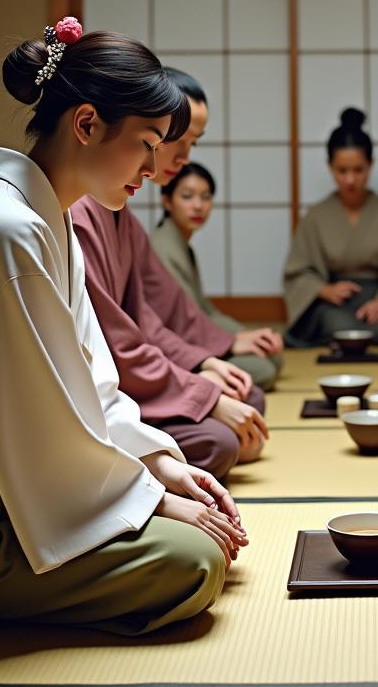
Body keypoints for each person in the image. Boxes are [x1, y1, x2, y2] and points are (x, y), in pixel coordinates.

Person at [0, 21, 247, 651]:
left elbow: (94, 383)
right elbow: (37, 427)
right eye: (146, 144)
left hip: (16, 485)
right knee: (192, 562)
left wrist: (161, 465)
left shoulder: (43, 221)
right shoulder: (1, 230)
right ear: (86, 124)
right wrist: (151, 502)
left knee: (196, 537)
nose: (153, 168)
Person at [70, 76, 269, 479]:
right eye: (159, 140)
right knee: (223, 438)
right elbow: (118, 340)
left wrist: (208, 360)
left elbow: (152, 317)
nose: (168, 158)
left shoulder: (119, 213)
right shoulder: (76, 213)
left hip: (142, 372)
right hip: (104, 393)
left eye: (191, 141)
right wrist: (202, 389)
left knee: (249, 397)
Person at [283, 107, 378, 347]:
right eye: (342, 170)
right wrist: (325, 290)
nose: (350, 180)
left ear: (371, 165)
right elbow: (298, 272)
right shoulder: (316, 216)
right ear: (329, 166)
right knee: (335, 325)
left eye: (358, 170)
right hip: (334, 304)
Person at [151, 160, 283, 391]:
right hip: (175, 347)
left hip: (198, 336)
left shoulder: (180, 243)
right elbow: (183, 320)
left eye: (205, 197)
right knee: (263, 370)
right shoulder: (163, 247)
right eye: (187, 196)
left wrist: (247, 335)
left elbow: (204, 310)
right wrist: (233, 342)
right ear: (167, 201)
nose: (198, 205)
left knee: (272, 357)